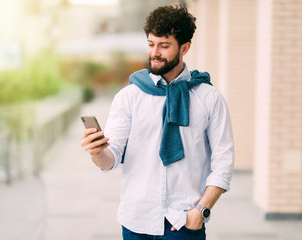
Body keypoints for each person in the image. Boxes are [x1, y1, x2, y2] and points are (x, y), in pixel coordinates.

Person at [81, 5, 234, 240]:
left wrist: (201, 211)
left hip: (184, 223)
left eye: (164, 46)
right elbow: (111, 159)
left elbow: (223, 161)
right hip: (136, 222)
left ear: (185, 48)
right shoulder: (129, 97)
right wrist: (97, 152)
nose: (155, 52)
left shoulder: (208, 97)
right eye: (151, 44)